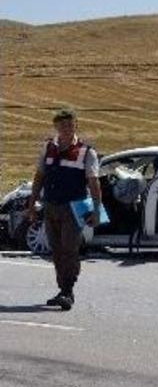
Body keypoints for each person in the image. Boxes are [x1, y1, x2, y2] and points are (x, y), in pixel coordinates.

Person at [23, 108, 103, 310]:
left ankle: (68, 291)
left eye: (69, 124)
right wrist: (31, 205)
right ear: (56, 127)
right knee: (56, 251)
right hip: (51, 206)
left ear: (76, 125)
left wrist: (96, 210)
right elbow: (39, 177)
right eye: (62, 125)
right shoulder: (48, 148)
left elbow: (93, 183)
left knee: (70, 250)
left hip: (73, 208)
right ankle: (63, 289)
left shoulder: (86, 151)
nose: (66, 128)